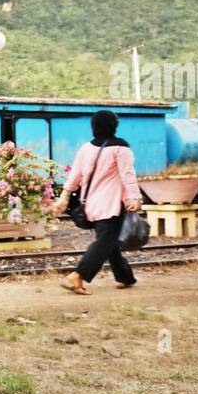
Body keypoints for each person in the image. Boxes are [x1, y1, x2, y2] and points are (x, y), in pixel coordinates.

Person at [49, 110, 142, 294]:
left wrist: (64, 197)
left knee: (109, 241)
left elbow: (74, 175)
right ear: (114, 126)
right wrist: (135, 197)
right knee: (105, 241)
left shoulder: (86, 148)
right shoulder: (121, 148)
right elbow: (127, 175)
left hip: (91, 204)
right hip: (111, 204)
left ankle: (125, 277)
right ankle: (78, 275)